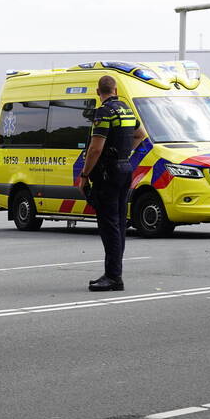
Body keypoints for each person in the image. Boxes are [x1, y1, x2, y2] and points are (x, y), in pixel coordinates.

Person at [75, 75, 147, 292]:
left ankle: (113, 277)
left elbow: (95, 149)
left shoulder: (104, 112)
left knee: (109, 225)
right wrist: (123, 151)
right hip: (125, 169)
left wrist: (85, 175)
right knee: (118, 224)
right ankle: (116, 274)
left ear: (99, 92)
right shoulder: (126, 110)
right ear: (115, 90)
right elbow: (140, 135)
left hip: (108, 174)